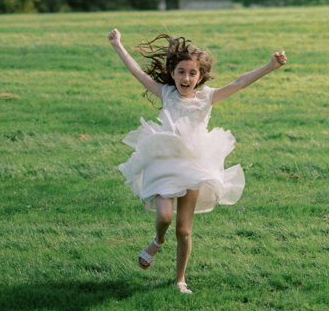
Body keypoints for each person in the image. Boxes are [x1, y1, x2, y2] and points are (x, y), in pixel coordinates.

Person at [108, 28, 288, 294]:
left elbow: (239, 82)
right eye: (181, 71)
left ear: (201, 76)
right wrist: (118, 45)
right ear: (172, 73)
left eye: (193, 73)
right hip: (165, 159)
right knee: (165, 216)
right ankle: (157, 240)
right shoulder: (166, 93)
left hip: (194, 163)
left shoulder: (207, 98)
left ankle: (180, 279)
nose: (186, 77)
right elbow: (138, 73)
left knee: (184, 229)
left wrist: (270, 66)